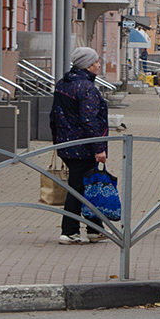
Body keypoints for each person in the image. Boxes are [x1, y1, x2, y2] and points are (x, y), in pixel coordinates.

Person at [52, 46, 109, 244]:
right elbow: (90, 121)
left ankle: (94, 229)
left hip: (67, 145)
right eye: (96, 62)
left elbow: (54, 116)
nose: (99, 65)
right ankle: (69, 231)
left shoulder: (62, 84)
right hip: (83, 147)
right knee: (79, 188)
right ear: (87, 65)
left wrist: (57, 142)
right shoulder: (86, 88)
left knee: (88, 186)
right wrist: (99, 148)